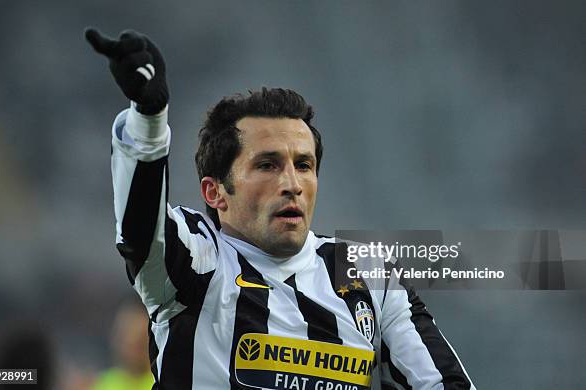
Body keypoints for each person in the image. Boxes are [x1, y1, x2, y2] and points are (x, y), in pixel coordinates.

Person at [85, 28, 475, 390]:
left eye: (304, 165)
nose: (292, 184)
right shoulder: (197, 262)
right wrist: (148, 121)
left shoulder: (369, 275)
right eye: (267, 165)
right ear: (216, 192)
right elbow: (140, 234)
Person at [91, 300, 155, 390]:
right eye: (125, 337)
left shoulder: (162, 381)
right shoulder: (106, 383)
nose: (131, 350)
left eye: (139, 342)